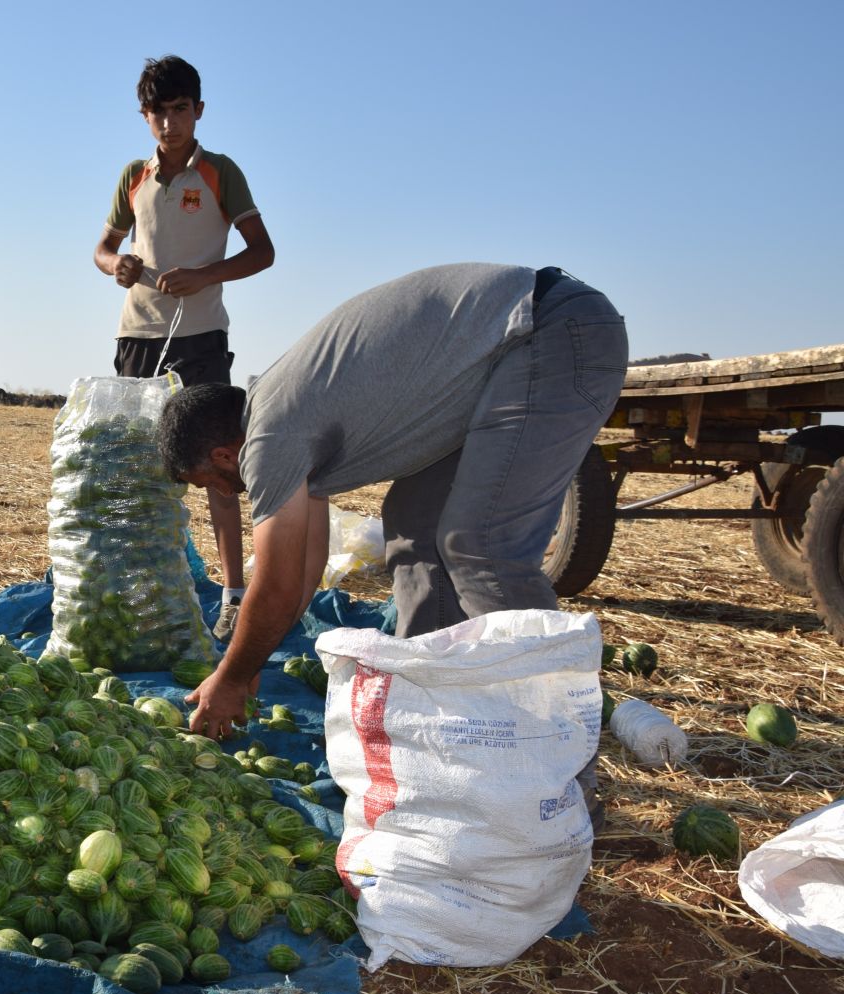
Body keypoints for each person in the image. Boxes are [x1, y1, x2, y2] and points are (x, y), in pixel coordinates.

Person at [157, 262, 629, 747]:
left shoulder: (270, 436)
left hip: (548, 331)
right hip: (503, 357)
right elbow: (304, 570)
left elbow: (275, 584)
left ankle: (551, 749)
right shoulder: (283, 416)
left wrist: (232, 678)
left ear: (223, 454)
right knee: (415, 531)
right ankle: (439, 722)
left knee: (479, 546)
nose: (223, 493)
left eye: (211, 482)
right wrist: (251, 661)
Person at [93, 54, 275, 642]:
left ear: (198, 111)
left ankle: (232, 595)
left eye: (180, 110)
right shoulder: (133, 176)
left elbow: (262, 251)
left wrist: (205, 275)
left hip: (200, 336)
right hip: (137, 334)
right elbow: (102, 248)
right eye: (158, 113)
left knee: (218, 464)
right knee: (141, 465)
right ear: (144, 117)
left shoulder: (220, 172)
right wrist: (116, 265)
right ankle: (143, 590)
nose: (170, 123)